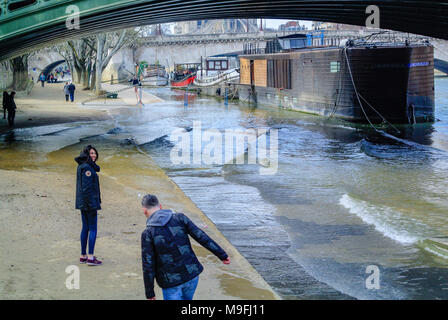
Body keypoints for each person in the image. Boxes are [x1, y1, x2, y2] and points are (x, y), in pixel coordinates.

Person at [140, 194, 230, 300]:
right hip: (192, 274)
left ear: (144, 210)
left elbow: (148, 264)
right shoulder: (180, 218)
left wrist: (150, 292)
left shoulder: (148, 233)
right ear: (160, 206)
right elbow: (201, 236)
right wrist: (222, 255)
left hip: (171, 282)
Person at [75, 145, 102, 266]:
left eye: (95, 153)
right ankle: (90, 257)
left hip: (83, 203)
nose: (94, 155)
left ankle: (83, 256)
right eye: (91, 153)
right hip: (89, 204)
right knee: (92, 229)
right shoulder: (87, 168)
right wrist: (92, 205)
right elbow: (86, 189)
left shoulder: (82, 166)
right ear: (86, 154)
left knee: (85, 228)